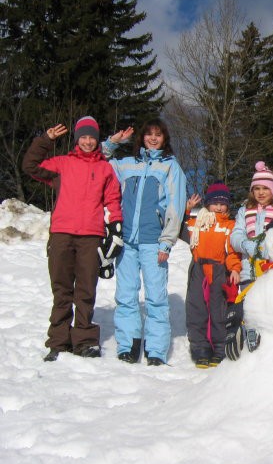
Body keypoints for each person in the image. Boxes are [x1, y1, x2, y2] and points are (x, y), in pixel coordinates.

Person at [23, 116, 123, 361]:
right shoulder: (62, 164)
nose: (88, 141)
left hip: (91, 236)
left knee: (86, 290)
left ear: (97, 140)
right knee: (62, 289)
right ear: (77, 139)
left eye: (92, 137)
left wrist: (115, 228)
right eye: (83, 137)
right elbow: (30, 166)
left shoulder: (105, 169)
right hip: (62, 235)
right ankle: (58, 341)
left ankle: (85, 340)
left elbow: (113, 200)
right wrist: (46, 140)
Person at [102, 119, 187, 366]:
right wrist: (112, 143)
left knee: (156, 297)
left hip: (154, 242)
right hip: (126, 241)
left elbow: (176, 205)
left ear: (164, 139)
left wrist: (167, 241)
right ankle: (128, 345)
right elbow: (98, 161)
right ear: (141, 137)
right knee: (126, 296)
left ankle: (156, 349)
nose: (152, 138)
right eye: (149, 134)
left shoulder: (171, 168)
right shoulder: (126, 164)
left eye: (158, 135)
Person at [181, 181, 241, 368]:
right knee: (196, 308)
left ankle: (219, 348)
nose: (219, 207)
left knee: (219, 310)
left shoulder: (229, 225)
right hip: (199, 268)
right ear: (207, 204)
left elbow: (232, 251)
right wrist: (186, 209)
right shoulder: (197, 222)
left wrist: (235, 269)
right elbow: (176, 228)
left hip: (219, 269)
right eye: (215, 203)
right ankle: (200, 349)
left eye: (223, 204)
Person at [229, 161, 273, 350]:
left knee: (270, 309)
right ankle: (251, 345)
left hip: (271, 271)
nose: (261, 192)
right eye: (256, 188)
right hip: (248, 271)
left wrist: (268, 249)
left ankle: (270, 346)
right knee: (250, 309)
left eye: (265, 188)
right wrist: (247, 245)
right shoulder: (244, 210)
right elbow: (236, 235)